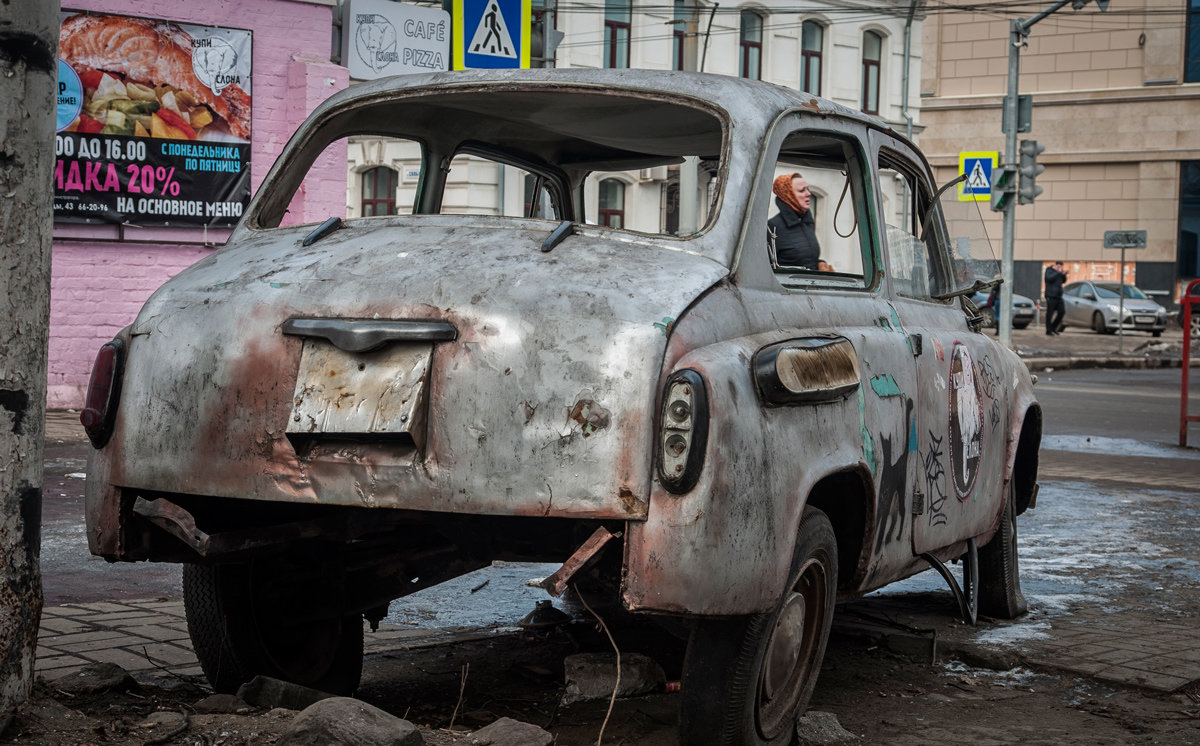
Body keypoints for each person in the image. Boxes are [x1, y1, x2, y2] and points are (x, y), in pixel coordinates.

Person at [768, 172, 826, 270]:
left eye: (808, 189)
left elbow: (806, 260)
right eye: (801, 190)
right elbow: (766, 268)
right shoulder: (772, 227)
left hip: (811, 284)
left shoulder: (807, 223)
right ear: (788, 196)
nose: (808, 194)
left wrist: (820, 264)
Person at [1044, 260, 1067, 335]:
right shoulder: (1049, 270)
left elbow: (1064, 281)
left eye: (1061, 267)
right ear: (1055, 265)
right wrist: (1058, 272)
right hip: (1050, 296)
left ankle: (1053, 328)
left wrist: (1063, 275)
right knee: (1050, 314)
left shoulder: (1059, 273)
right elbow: (1049, 278)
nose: (1060, 268)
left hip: (1058, 296)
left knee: (1062, 312)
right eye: (1058, 266)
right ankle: (1048, 330)